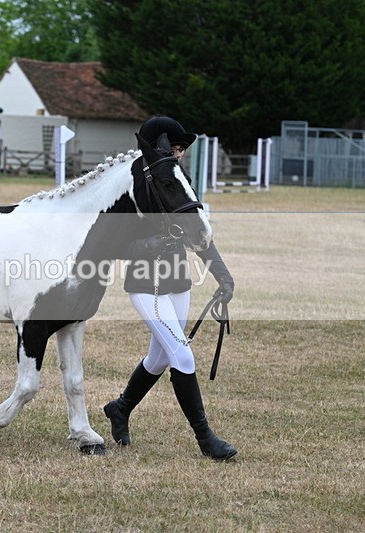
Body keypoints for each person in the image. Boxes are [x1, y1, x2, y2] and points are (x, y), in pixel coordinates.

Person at [103, 116, 237, 461]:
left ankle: (120, 408)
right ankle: (205, 438)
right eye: (174, 147)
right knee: (181, 353)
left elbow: (199, 233)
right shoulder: (134, 189)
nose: (179, 153)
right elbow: (117, 246)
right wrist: (152, 243)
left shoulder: (179, 180)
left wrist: (223, 276)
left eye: (181, 149)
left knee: (159, 358)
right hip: (146, 286)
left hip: (178, 280)